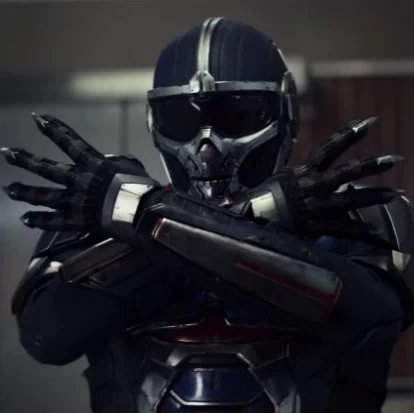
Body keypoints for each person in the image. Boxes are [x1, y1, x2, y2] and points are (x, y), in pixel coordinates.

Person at [3, 17, 414, 413]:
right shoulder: (97, 212)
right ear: (154, 120)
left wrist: (141, 215)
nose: (207, 147)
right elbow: (46, 335)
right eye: (182, 119)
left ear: (285, 115)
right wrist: (259, 215)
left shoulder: (359, 212)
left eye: (237, 116)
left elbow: (367, 314)